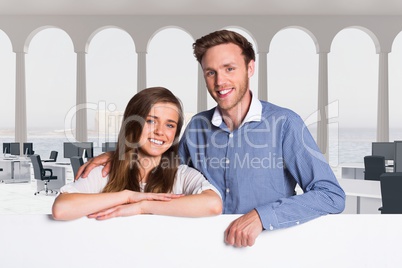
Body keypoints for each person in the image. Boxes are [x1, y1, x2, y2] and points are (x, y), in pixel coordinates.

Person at [76, 30, 345, 247]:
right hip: (200, 249)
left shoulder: (285, 124)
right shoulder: (197, 127)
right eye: (211, 72)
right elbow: (162, 162)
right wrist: (118, 153)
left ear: (250, 68)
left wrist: (263, 216)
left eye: (229, 69)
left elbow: (330, 195)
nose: (220, 81)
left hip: (265, 250)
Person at [52, 87, 222, 221]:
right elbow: (62, 209)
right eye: (150, 121)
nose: (160, 132)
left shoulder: (182, 175)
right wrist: (128, 196)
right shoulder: (105, 172)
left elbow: (213, 205)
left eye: (169, 125)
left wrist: (143, 207)